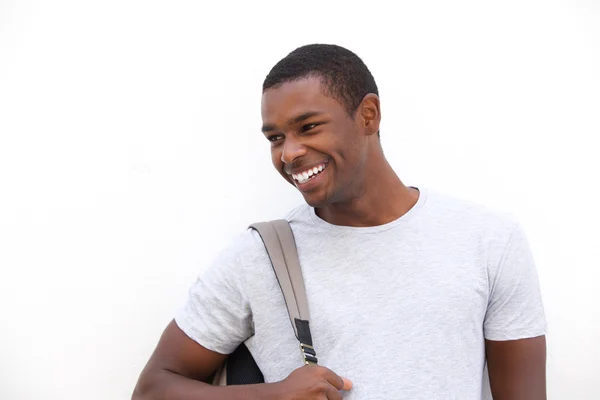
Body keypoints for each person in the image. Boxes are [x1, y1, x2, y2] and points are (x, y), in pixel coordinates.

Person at [132, 44, 547, 400]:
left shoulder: (489, 240)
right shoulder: (260, 255)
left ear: (368, 116)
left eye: (308, 127)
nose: (289, 153)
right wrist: (271, 394)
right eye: (275, 138)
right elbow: (153, 388)